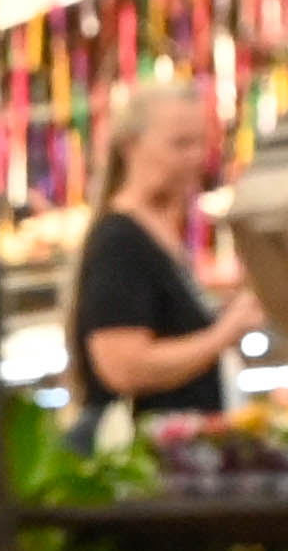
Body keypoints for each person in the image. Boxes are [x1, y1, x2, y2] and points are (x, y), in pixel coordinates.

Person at [70, 76, 253, 423]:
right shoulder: (119, 242)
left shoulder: (160, 234)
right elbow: (122, 367)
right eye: (180, 144)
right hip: (140, 450)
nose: (196, 157)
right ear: (131, 147)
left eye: (201, 143)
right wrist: (223, 335)